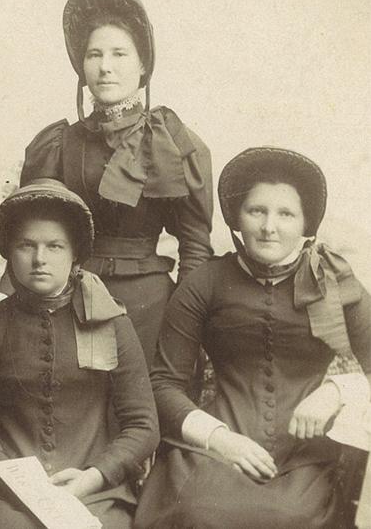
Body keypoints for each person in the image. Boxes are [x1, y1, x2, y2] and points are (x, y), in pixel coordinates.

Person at [134, 147, 371, 528]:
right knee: (200, 513)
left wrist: (335, 393)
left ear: (305, 222)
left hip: (306, 458)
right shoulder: (206, 282)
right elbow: (163, 384)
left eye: (286, 214)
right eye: (256, 210)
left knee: (290, 518)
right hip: (215, 451)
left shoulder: (334, 280)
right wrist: (219, 439)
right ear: (237, 217)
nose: (269, 227)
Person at [0, 0, 213, 365]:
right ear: (82, 64)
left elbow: (195, 244)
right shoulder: (59, 144)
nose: (106, 66)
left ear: (143, 65)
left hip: (152, 308)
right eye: (95, 54)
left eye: (119, 54)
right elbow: (28, 236)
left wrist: (185, 324)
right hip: (68, 299)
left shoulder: (170, 141)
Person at [0, 179, 158, 528]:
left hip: (92, 488)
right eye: (27, 245)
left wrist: (96, 476)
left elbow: (143, 425)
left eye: (55, 246)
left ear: (75, 255)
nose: (40, 259)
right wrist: (15, 478)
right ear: (10, 252)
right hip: (1, 488)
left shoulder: (112, 323)